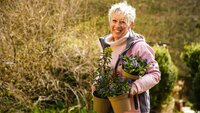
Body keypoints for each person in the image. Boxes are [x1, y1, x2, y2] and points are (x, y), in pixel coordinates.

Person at [92, 1, 161, 113]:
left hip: (133, 109)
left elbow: (155, 74)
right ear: (110, 21)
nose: (117, 26)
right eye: (114, 20)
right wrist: (97, 82)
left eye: (122, 22)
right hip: (108, 107)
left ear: (131, 24)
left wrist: (134, 87)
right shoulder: (105, 45)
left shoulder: (139, 46)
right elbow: (102, 70)